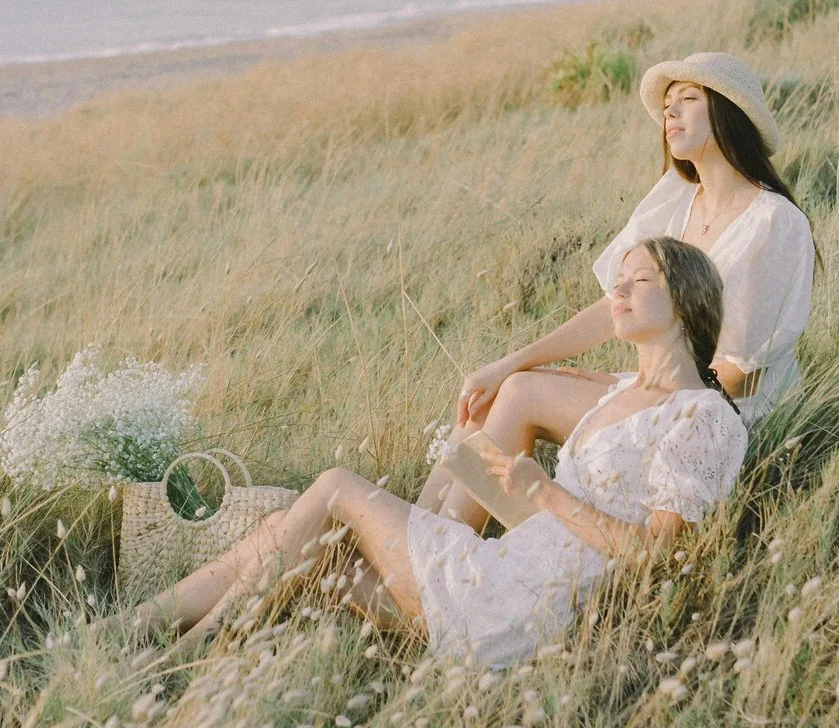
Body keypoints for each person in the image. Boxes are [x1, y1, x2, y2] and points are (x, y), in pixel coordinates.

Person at [147, 237, 748, 667]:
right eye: (618, 278)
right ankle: (136, 629)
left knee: (334, 486)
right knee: (300, 540)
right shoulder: (620, 391)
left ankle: (188, 654)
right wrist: (504, 380)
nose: (617, 290)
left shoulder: (703, 417)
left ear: (686, 301)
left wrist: (545, 493)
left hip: (514, 605)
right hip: (503, 576)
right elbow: (537, 381)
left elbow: (664, 559)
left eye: (639, 280)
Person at [420, 52, 813, 530]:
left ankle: (442, 557)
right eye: (668, 104)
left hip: (717, 417)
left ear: (730, 113)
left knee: (522, 394)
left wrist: (618, 387)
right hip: (661, 386)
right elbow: (616, 305)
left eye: (689, 99)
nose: (670, 113)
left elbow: (738, 374)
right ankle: (423, 533)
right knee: (501, 387)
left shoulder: (774, 222)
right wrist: (511, 361)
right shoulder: (676, 198)